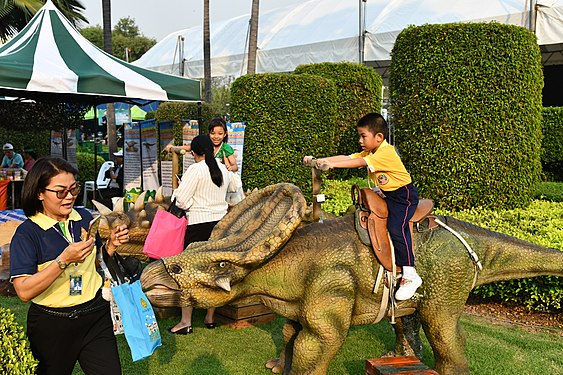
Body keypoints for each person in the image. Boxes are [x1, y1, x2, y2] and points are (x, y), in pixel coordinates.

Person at [9, 157, 130, 375]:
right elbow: (24, 291)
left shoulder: (83, 217)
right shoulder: (28, 233)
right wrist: (64, 260)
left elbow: (94, 263)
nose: (69, 197)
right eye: (60, 191)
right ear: (39, 193)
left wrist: (111, 245)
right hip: (52, 324)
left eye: (73, 189)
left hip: (95, 315)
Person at [310, 112, 421, 301]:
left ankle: (410, 273)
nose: (360, 140)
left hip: (404, 196)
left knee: (396, 227)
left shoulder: (385, 152)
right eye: (359, 136)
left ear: (379, 137)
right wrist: (321, 160)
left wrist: (331, 165)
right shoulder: (372, 151)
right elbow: (347, 156)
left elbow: (357, 162)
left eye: (363, 136)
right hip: (388, 193)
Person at [169, 135, 241, 334]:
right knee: (215, 272)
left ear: (194, 152)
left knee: (189, 273)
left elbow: (181, 200)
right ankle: (210, 317)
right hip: (220, 226)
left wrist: (195, 205)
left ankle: (186, 322)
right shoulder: (222, 168)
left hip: (198, 225)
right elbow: (234, 188)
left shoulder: (196, 169)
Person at [165, 117, 238, 172]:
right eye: (213, 133)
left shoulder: (226, 148)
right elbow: (190, 147)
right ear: (209, 133)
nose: (216, 137)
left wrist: (230, 168)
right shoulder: (205, 143)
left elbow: (235, 166)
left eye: (220, 134)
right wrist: (174, 147)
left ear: (225, 134)